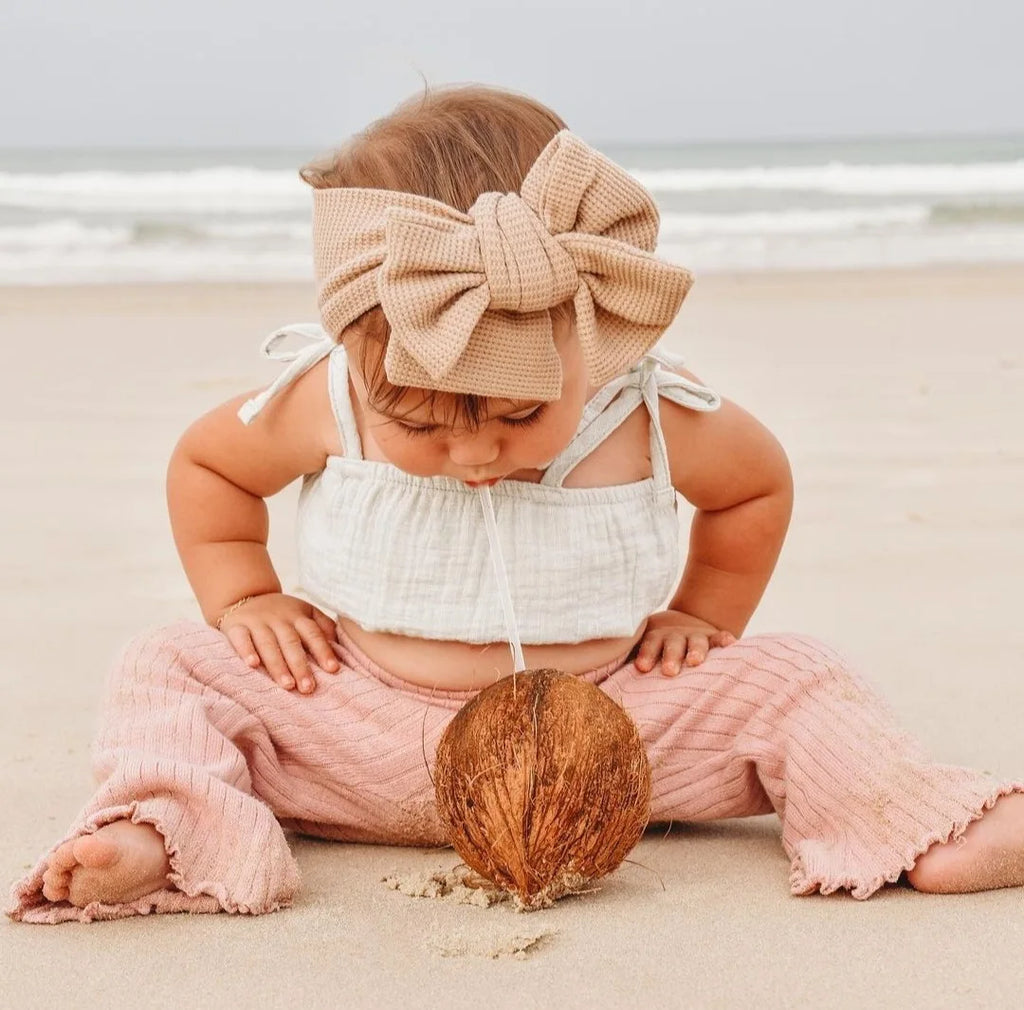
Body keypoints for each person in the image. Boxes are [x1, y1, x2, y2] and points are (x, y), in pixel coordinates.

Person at [8, 83, 1023, 925]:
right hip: (348, 729)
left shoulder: (646, 408)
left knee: (798, 675)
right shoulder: (322, 398)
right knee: (168, 658)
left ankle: (914, 820)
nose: (474, 453)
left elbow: (755, 483)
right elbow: (209, 468)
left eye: (515, 413)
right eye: (423, 425)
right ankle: (164, 825)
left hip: (610, 737)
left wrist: (704, 617)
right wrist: (244, 597)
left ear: (587, 331)